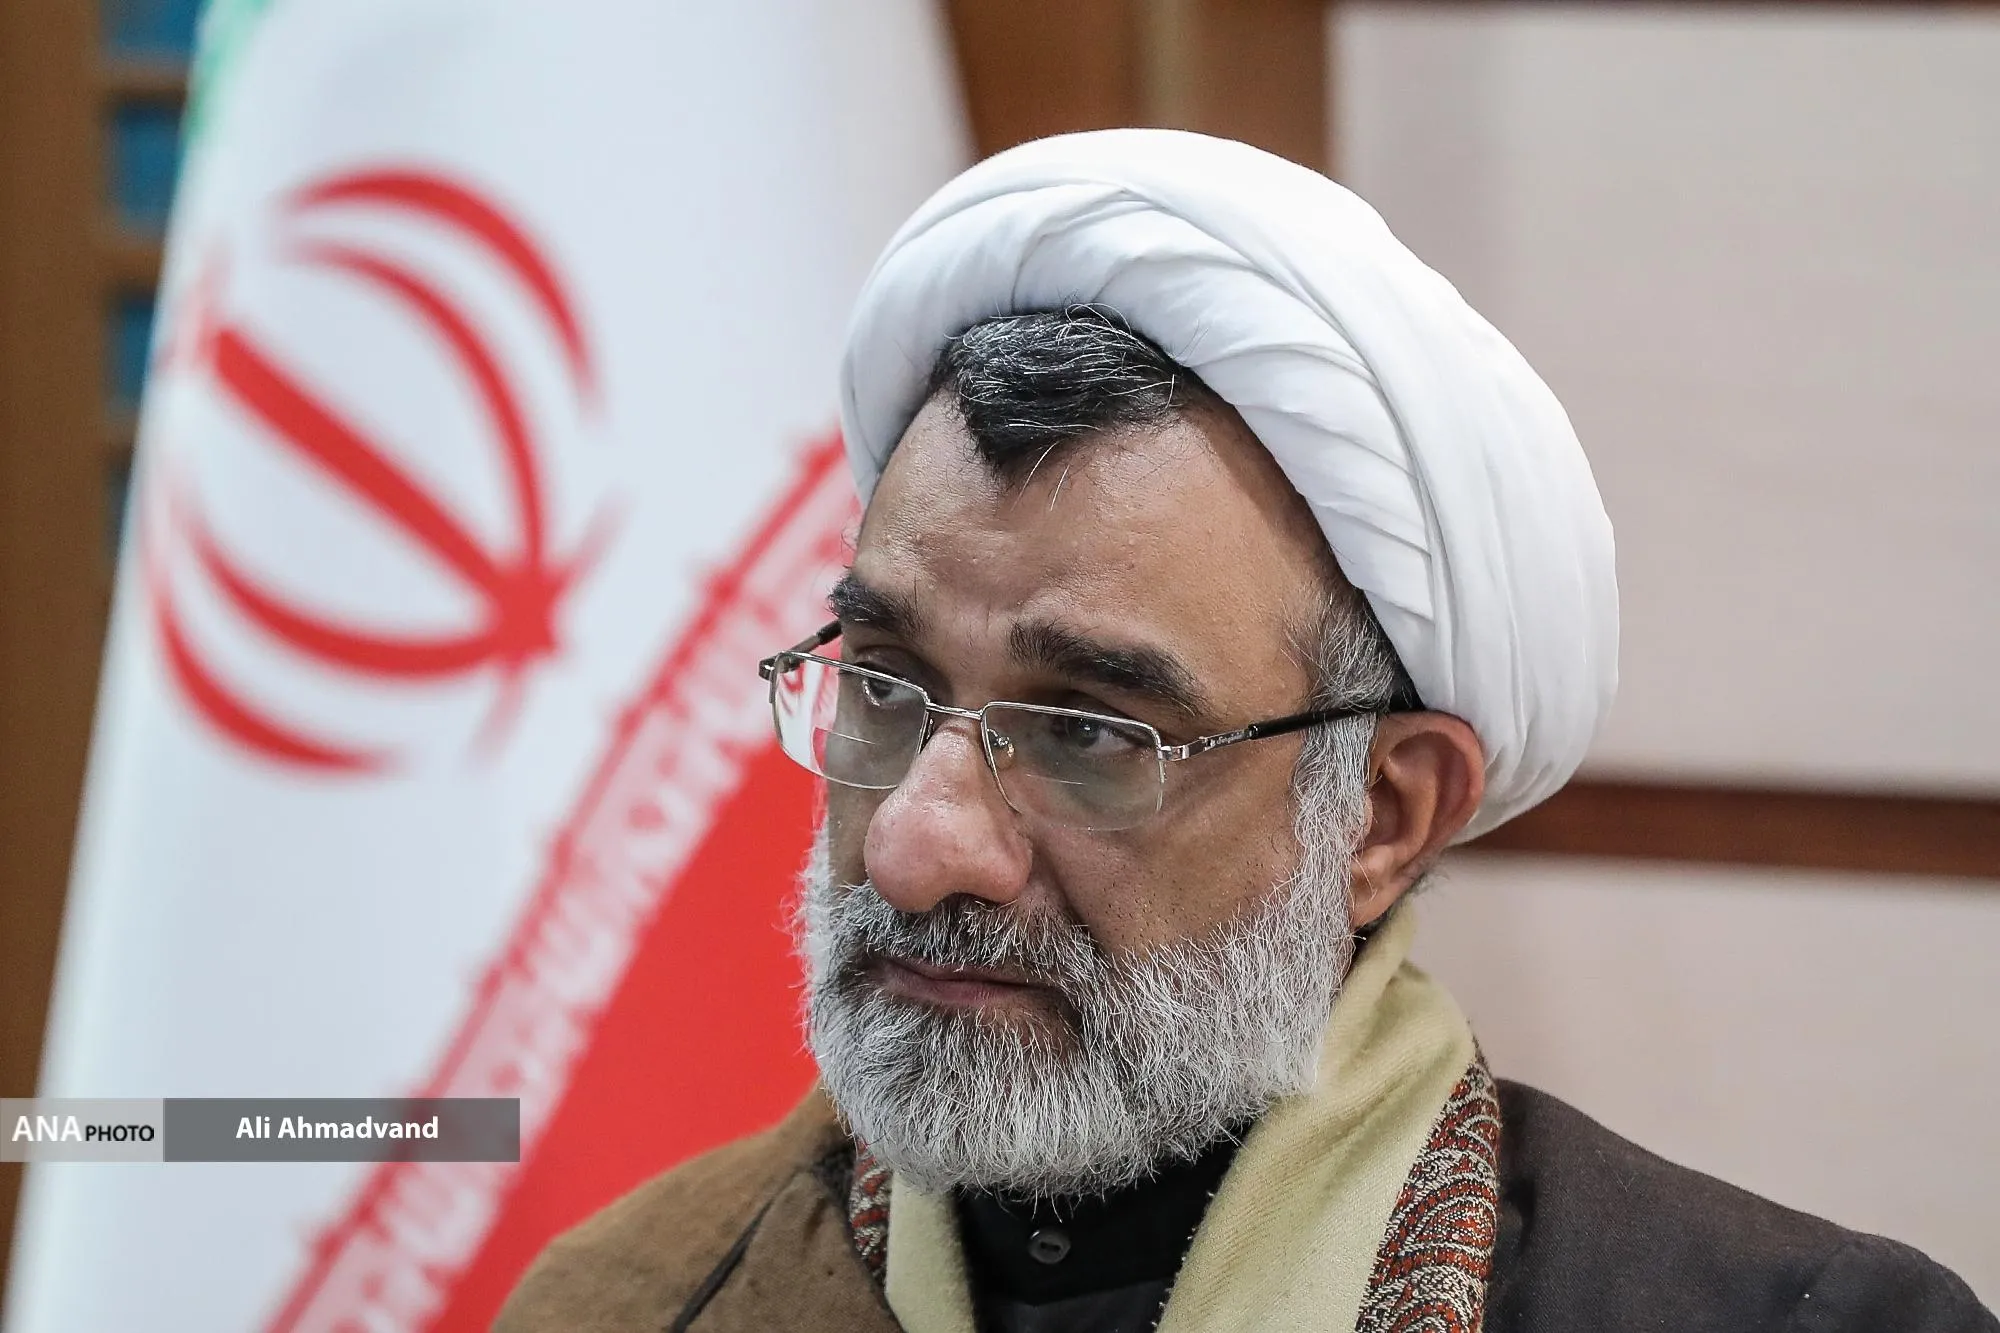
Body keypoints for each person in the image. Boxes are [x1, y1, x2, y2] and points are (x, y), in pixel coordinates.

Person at [497, 130, 1994, 1333]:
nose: (914, 845)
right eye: (886, 688)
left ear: (1383, 815)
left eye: (1086, 733)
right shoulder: (625, 1299)